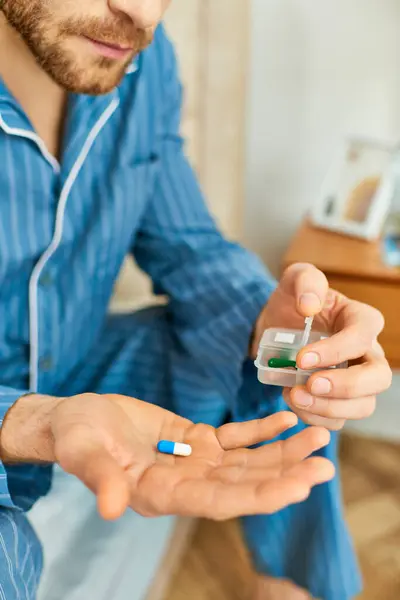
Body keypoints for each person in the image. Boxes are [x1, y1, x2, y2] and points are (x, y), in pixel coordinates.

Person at [0, 1, 392, 599]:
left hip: (76, 361)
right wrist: (26, 421)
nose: (143, 11)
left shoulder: (138, 65)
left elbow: (187, 247)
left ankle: (291, 585)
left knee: (274, 357)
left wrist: (268, 316)